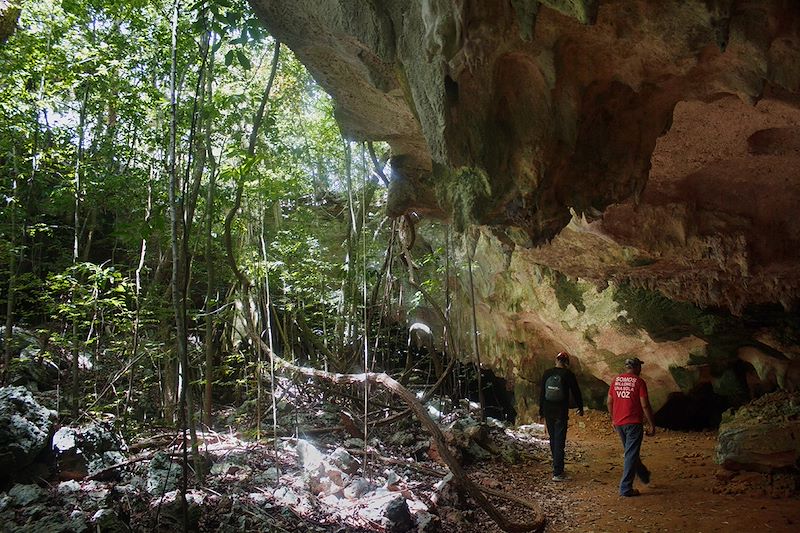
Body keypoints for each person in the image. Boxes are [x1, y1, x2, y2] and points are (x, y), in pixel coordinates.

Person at [607, 357, 656, 497]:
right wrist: (652, 424)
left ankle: (643, 474)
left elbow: (609, 402)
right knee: (630, 453)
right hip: (633, 423)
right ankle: (625, 488)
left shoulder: (615, 380)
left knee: (630, 451)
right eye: (640, 367)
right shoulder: (639, 382)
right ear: (637, 368)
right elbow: (645, 405)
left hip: (619, 423)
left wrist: (613, 419)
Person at [539, 351, 584, 481]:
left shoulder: (547, 373)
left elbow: (542, 393)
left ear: (556, 360)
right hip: (560, 411)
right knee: (560, 440)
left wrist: (541, 413)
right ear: (566, 362)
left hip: (548, 410)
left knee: (553, 439)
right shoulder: (568, 374)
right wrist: (580, 407)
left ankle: (556, 468)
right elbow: (576, 392)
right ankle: (558, 472)